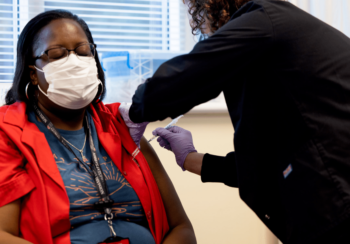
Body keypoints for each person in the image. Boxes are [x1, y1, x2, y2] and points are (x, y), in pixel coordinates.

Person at [128, 0, 350, 243]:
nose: (199, 28)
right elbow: (265, 166)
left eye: (199, 18)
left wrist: (135, 109)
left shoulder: (263, 19)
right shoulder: (280, 45)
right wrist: (191, 159)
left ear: (213, 6)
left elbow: (195, 71)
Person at [0, 10, 196, 244]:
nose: (73, 61)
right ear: (33, 73)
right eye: (57, 54)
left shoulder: (122, 126)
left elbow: (181, 228)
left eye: (83, 51)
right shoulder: (9, 133)